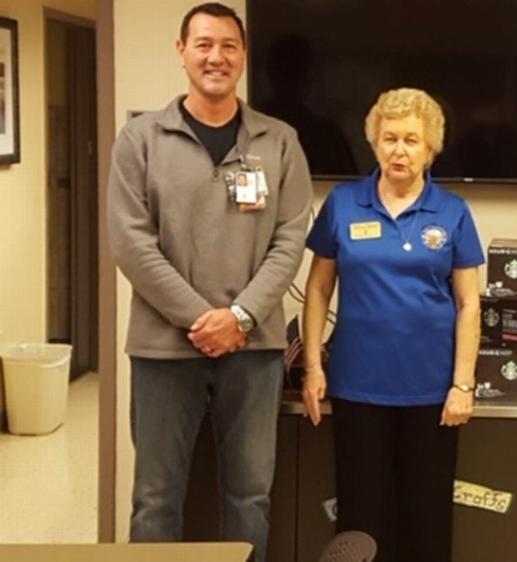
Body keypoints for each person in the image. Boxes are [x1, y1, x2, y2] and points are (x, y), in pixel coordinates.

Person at [106, 4, 312, 561]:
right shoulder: (140, 138)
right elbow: (130, 242)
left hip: (255, 350)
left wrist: (239, 318)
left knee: (250, 497)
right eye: (203, 44)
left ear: (243, 56)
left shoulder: (280, 141)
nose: (215, 57)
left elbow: (291, 240)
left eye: (227, 45)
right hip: (162, 350)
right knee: (155, 499)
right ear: (181, 52)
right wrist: (201, 319)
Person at [301, 87, 484, 562]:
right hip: (358, 388)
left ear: (430, 149)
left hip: (431, 393)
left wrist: (463, 383)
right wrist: (313, 366)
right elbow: (318, 289)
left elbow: (468, 303)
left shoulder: (453, 212)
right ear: (373, 143)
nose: (399, 150)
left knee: (426, 518)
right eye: (389, 138)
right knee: (361, 521)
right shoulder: (343, 204)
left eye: (411, 140)